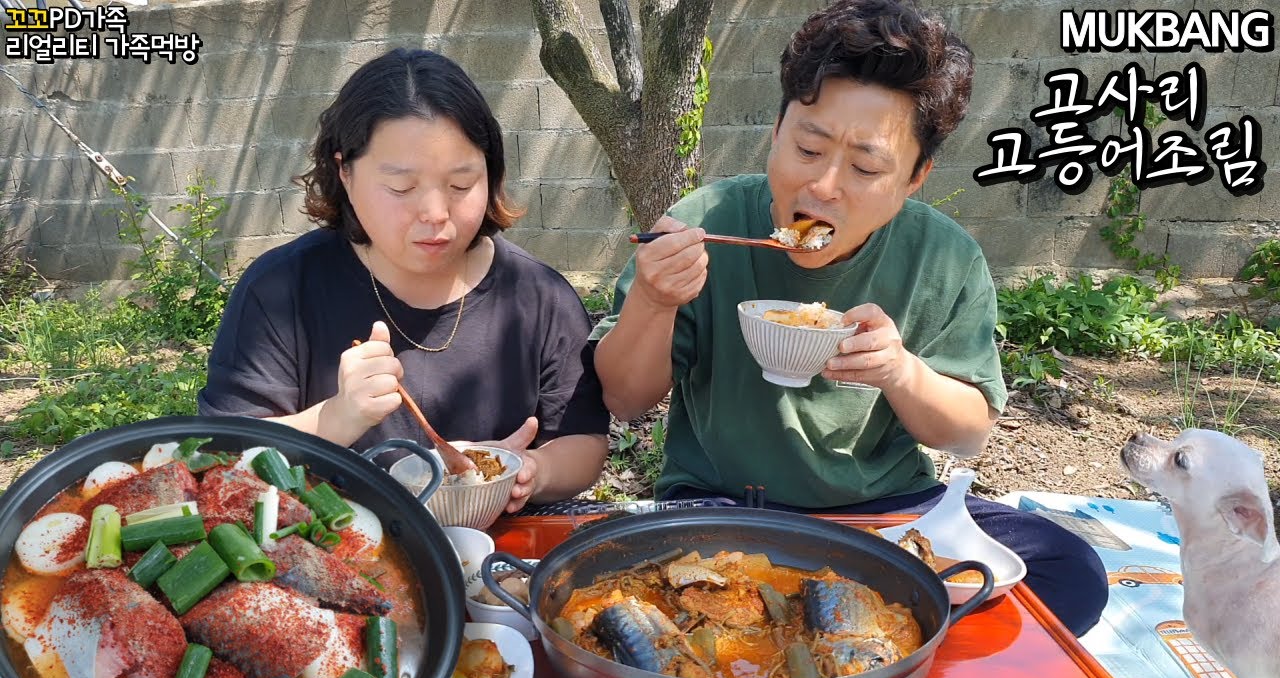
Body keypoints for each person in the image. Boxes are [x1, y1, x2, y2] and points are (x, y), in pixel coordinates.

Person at [590, 0, 1107, 636]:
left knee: (1069, 570)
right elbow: (623, 395)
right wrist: (653, 300)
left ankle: (852, 637)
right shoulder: (711, 221)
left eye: (865, 166)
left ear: (916, 176)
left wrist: (900, 373)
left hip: (886, 515)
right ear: (776, 131)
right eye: (808, 148)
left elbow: (968, 430)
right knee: (612, 573)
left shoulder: (943, 257)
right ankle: (863, 629)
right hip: (723, 507)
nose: (825, 186)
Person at [199, 48, 610, 514]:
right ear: (345, 172)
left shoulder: (539, 297)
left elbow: (584, 442)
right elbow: (224, 458)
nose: (436, 214)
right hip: (331, 557)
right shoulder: (280, 291)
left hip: (501, 558)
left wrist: (535, 469)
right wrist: (333, 419)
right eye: (400, 188)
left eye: (460, 185)